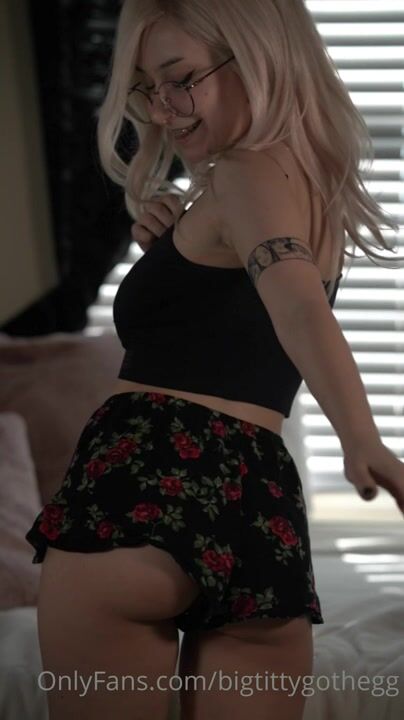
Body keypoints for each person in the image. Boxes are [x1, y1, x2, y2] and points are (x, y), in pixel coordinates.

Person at [25, 2, 404, 719]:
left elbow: (298, 306)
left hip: (141, 482)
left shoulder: (242, 172)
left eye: (181, 78)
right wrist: (171, 253)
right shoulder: (310, 189)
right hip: (257, 504)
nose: (162, 109)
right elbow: (258, 315)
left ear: (261, 58)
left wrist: (363, 438)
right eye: (148, 88)